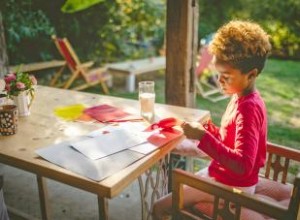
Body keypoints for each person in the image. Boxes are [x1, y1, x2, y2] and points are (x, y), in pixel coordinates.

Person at [152, 20, 272, 219]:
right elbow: (230, 139)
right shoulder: (242, 97)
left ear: (251, 75)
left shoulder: (248, 109)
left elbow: (242, 166)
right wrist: (207, 130)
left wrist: (202, 137)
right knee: (183, 185)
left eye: (226, 76)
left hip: (233, 187)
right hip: (224, 177)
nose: (219, 81)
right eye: (218, 74)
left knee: (159, 207)